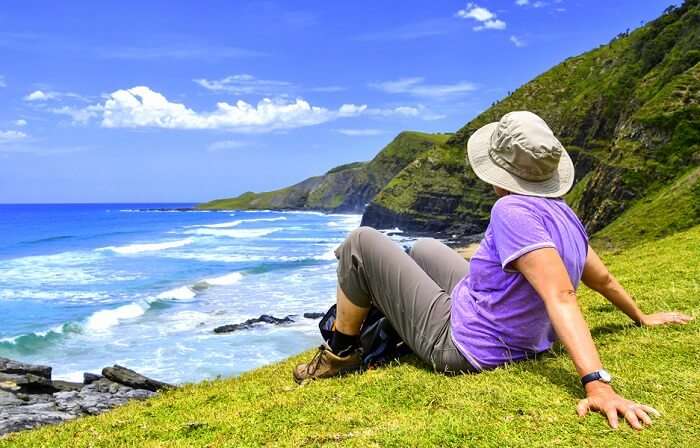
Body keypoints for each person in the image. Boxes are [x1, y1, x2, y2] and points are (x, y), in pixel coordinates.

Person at [292, 111, 693, 430]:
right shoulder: (563, 212)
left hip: (466, 345)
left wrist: (598, 383)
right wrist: (640, 316)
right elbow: (599, 278)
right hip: (502, 324)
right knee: (427, 247)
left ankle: (339, 353)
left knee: (360, 243)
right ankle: (387, 314)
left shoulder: (510, 210)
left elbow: (561, 295)